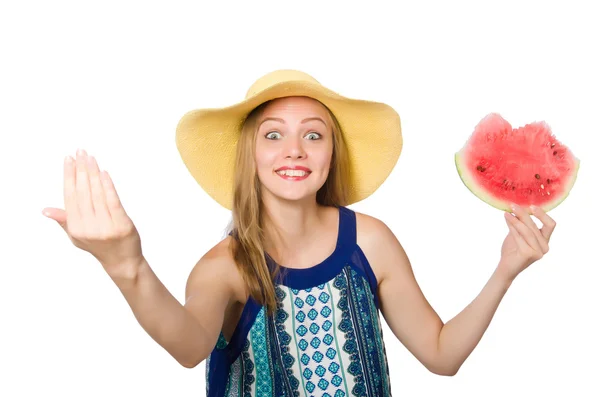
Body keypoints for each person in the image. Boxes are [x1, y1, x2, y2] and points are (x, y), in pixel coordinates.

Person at [42, 70, 557, 396]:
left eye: (313, 134)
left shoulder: (370, 241)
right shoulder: (225, 267)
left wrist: (505, 270)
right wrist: (125, 266)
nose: (295, 149)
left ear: (330, 155)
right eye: (274, 135)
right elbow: (187, 346)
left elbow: (442, 356)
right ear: (251, 155)